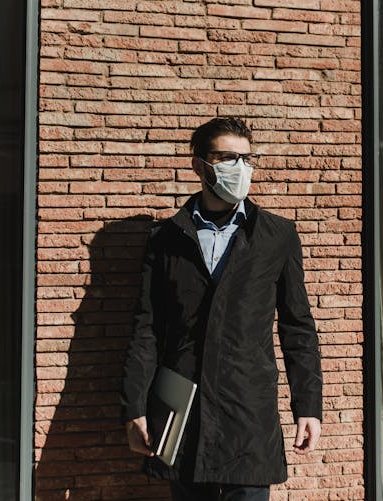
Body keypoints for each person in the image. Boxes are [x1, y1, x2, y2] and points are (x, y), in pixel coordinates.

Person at [121, 117, 323, 501]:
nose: (240, 168)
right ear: (200, 165)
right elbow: (146, 328)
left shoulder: (276, 235)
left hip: (247, 406)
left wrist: (308, 406)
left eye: (246, 159)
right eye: (228, 158)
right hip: (183, 404)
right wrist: (134, 407)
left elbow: (298, 327)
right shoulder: (166, 239)